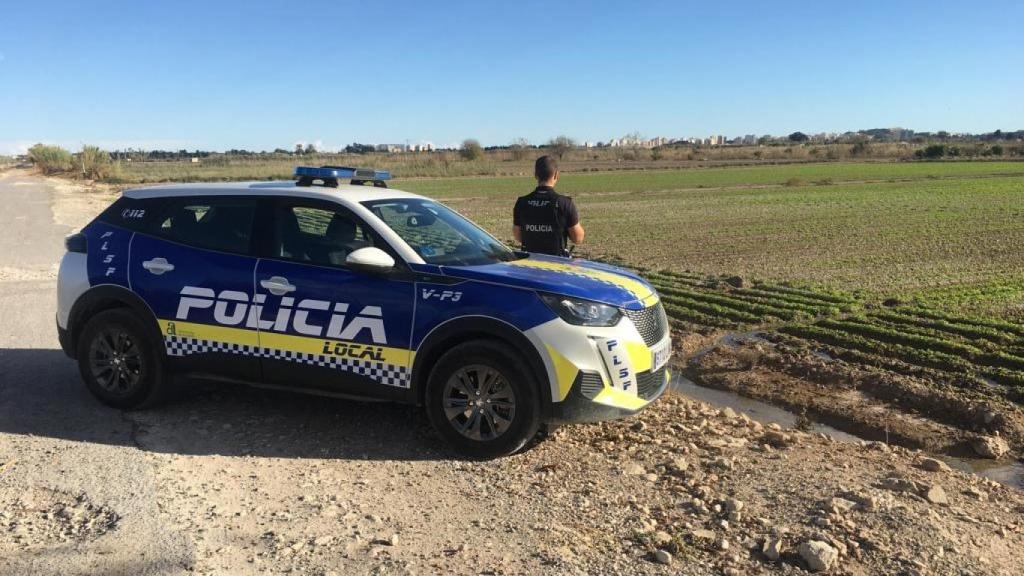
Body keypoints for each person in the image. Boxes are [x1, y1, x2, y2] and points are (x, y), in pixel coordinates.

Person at [512, 155, 584, 256]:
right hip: (557, 263)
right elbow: (578, 238)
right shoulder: (564, 203)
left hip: (529, 262)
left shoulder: (522, 202)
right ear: (556, 175)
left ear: (536, 175)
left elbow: (518, 236)